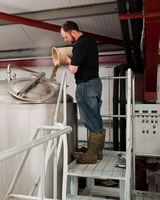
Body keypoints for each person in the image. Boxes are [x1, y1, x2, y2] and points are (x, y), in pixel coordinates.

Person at [60, 21, 105, 164]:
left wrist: (68, 61)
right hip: (96, 83)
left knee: (89, 118)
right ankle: (97, 151)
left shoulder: (80, 44)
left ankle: (91, 155)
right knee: (96, 117)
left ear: (73, 32)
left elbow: (73, 69)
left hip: (85, 85)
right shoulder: (90, 41)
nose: (66, 40)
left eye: (66, 37)